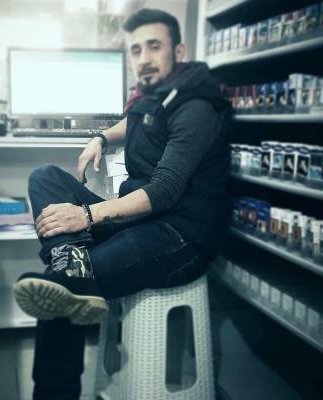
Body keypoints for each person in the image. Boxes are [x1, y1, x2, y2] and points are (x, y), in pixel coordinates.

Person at [14, 8, 231, 400]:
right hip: (144, 221)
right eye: (136, 49)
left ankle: (54, 387)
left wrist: (85, 214)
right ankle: (70, 263)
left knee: (58, 289)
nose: (144, 57)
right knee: (45, 176)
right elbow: (134, 122)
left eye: (154, 46)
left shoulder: (195, 107)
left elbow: (164, 191)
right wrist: (100, 137)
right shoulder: (156, 94)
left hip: (180, 236)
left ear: (178, 51)